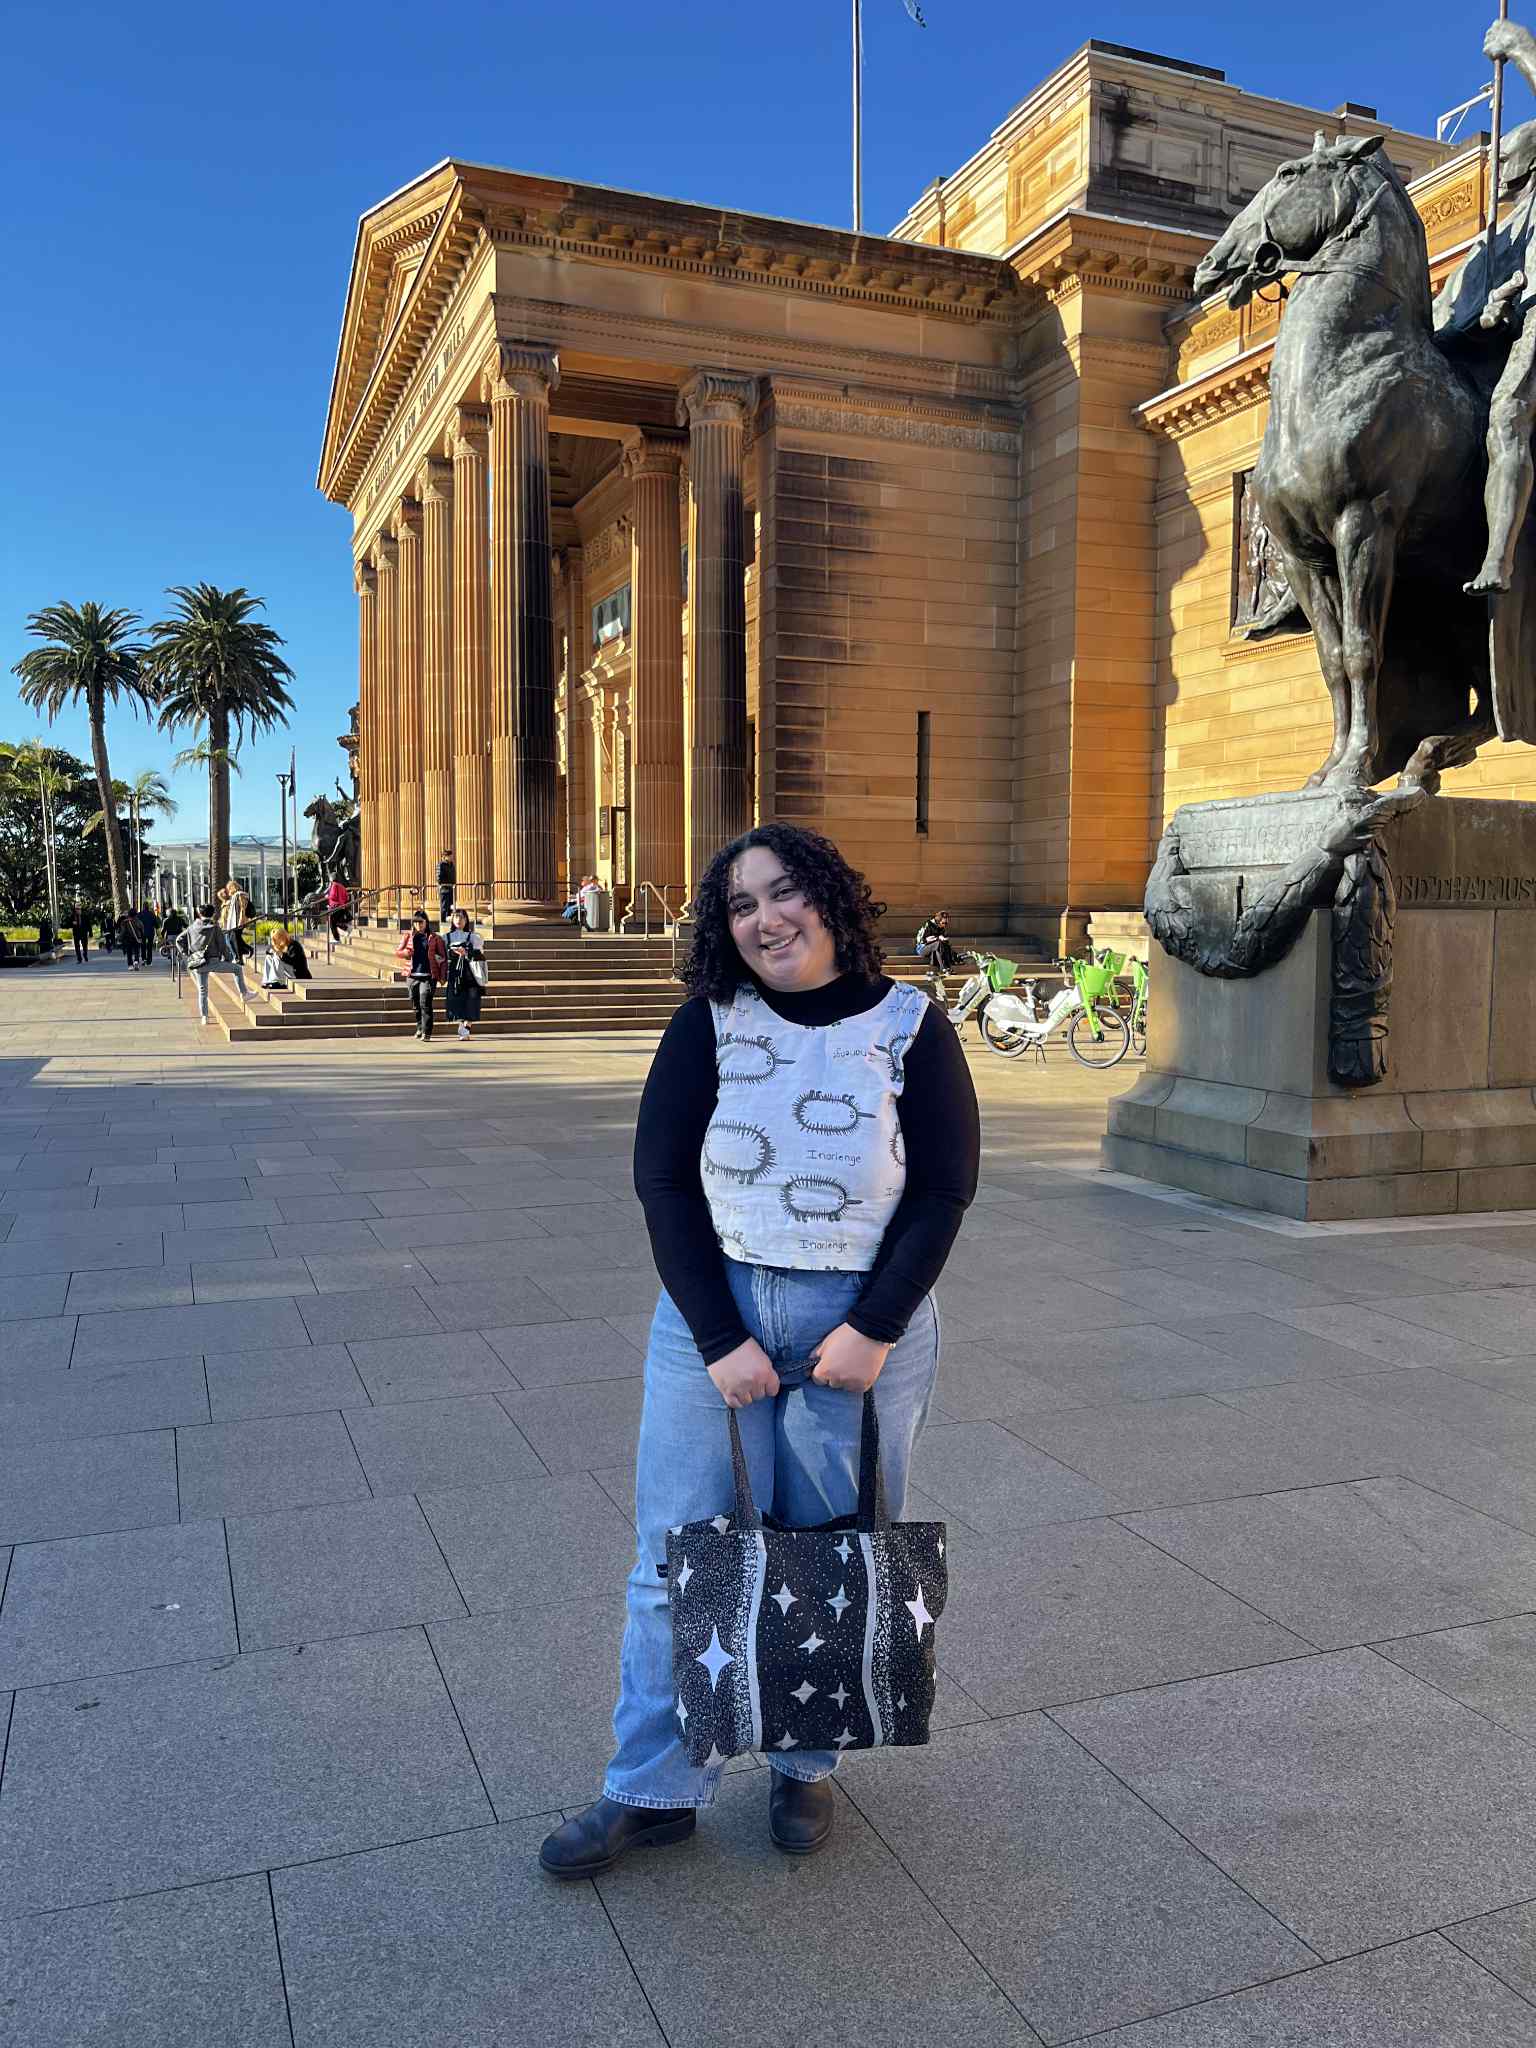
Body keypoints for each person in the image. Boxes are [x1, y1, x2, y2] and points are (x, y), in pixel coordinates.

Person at [539, 822, 980, 1880]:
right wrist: (720, 1335)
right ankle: (651, 1787)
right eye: (741, 905)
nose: (766, 918)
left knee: (827, 1548)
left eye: (784, 892)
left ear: (830, 897)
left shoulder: (911, 1025)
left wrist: (872, 1327)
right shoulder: (711, 1022)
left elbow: (942, 1188)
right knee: (670, 1558)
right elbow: (663, 1182)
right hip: (717, 1312)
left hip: (865, 1325)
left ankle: (805, 1760)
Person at [1435, 16, 1536, 595]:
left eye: (1507, 163)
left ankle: (1499, 555)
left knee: (1507, 414)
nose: (1497, 174)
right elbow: (1447, 325)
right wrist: (1486, 317)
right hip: (1508, 337)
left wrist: (1522, 49)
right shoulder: (1491, 239)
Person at [181, 900, 251, 1026]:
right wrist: (228, 959)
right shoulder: (214, 928)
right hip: (213, 961)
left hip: (198, 963)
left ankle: (204, 1017)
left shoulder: (192, 927)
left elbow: (179, 940)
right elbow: (223, 946)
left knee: (202, 991)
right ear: (213, 914)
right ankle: (244, 993)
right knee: (237, 969)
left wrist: (188, 954)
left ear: (199, 913)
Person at [394, 909, 447, 1040]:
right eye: (416, 923)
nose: (418, 925)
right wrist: (406, 953)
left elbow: (443, 958)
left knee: (425, 1002)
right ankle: (419, 1027)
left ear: (426, 922)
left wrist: (443, 976)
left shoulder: (435, 938)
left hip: (428, 976)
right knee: (415, 1004)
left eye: (421, 922)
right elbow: (398, 952)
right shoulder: (408, 936)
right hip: (412, 975)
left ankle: (426, 1032)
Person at [443, 907, 486, 1041]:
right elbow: (441, 954)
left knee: (472, 998)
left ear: (466, 920)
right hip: (455, 971)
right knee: (457, 998)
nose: (459, 920)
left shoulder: (473, 937)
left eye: (462, 917)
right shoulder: (446, 937)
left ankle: (466, 1027)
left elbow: (480, 954)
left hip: (470, 971)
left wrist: (466, 953)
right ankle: (462, 1024)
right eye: (456, 917)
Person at [915, 910, 959, 981]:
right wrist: (938, 938)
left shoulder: (941, 927)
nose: (944, 925)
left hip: (935, 948)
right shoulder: (928, 924)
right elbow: (923, 940)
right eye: (943, 923)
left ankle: (946, 968)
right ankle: (944, 968)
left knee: (942, 944)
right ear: (938, 921)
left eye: (946, 923)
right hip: (922, 948)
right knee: (938, 943)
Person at [218, 879, 253, 966]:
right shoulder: (235, 896)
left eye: (229, 888)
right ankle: (245, 952)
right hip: (234, 922)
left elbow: (242, 908)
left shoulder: (240, 894)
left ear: (232, 887)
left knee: (234, 939)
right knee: (233, 939)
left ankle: (239, 958)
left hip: (238, 922)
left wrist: (241, 920)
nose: (228, 890)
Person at [326, 876, 351, 942]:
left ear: (331, 879)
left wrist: (328, 896)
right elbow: (346, 898)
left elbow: (333, 896)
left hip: (335, 906)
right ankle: (346, 928)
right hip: (342, 906)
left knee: (332, 923)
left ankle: (337, 938)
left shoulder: (334, 885)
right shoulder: (342, 886)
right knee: (336, 922)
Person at [436, 850, 456, 926]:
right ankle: (443, 922)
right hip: (444, 889)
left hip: (451, 888)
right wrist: (444, 884)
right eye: (449, 856)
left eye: (451, 856)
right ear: (445, 857)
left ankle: (449, 922)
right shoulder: (441, 865)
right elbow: (439, 878)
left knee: (451, 907)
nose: (451, 857)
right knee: (444, 907)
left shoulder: (452, 865)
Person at [136, 903, 159, 968]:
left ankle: (143, 959)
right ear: (148, 907)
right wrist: (157, 930)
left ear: (143, 907)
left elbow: (137, 924)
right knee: (149, 947)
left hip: (142, 933)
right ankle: (149, 961)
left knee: (143, 946)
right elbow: (156, 924)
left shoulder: (139, 914)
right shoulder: (152, 914)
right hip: (150, 932)